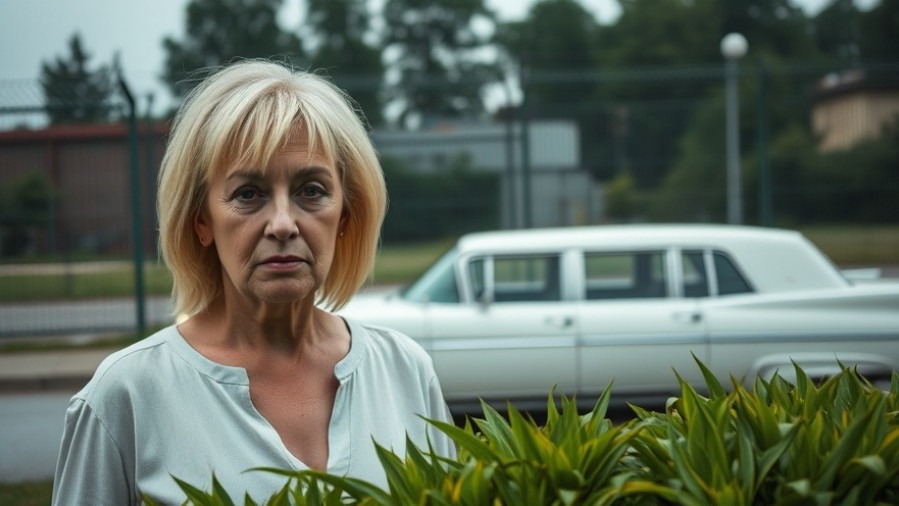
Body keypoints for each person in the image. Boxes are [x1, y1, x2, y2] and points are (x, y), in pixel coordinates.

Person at [51, 59, 456, 505]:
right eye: (248, 193)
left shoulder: (404, 371)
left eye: (312, 190)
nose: (283, 224)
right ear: (201, 220)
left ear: (346, 213)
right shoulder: (125, 395)